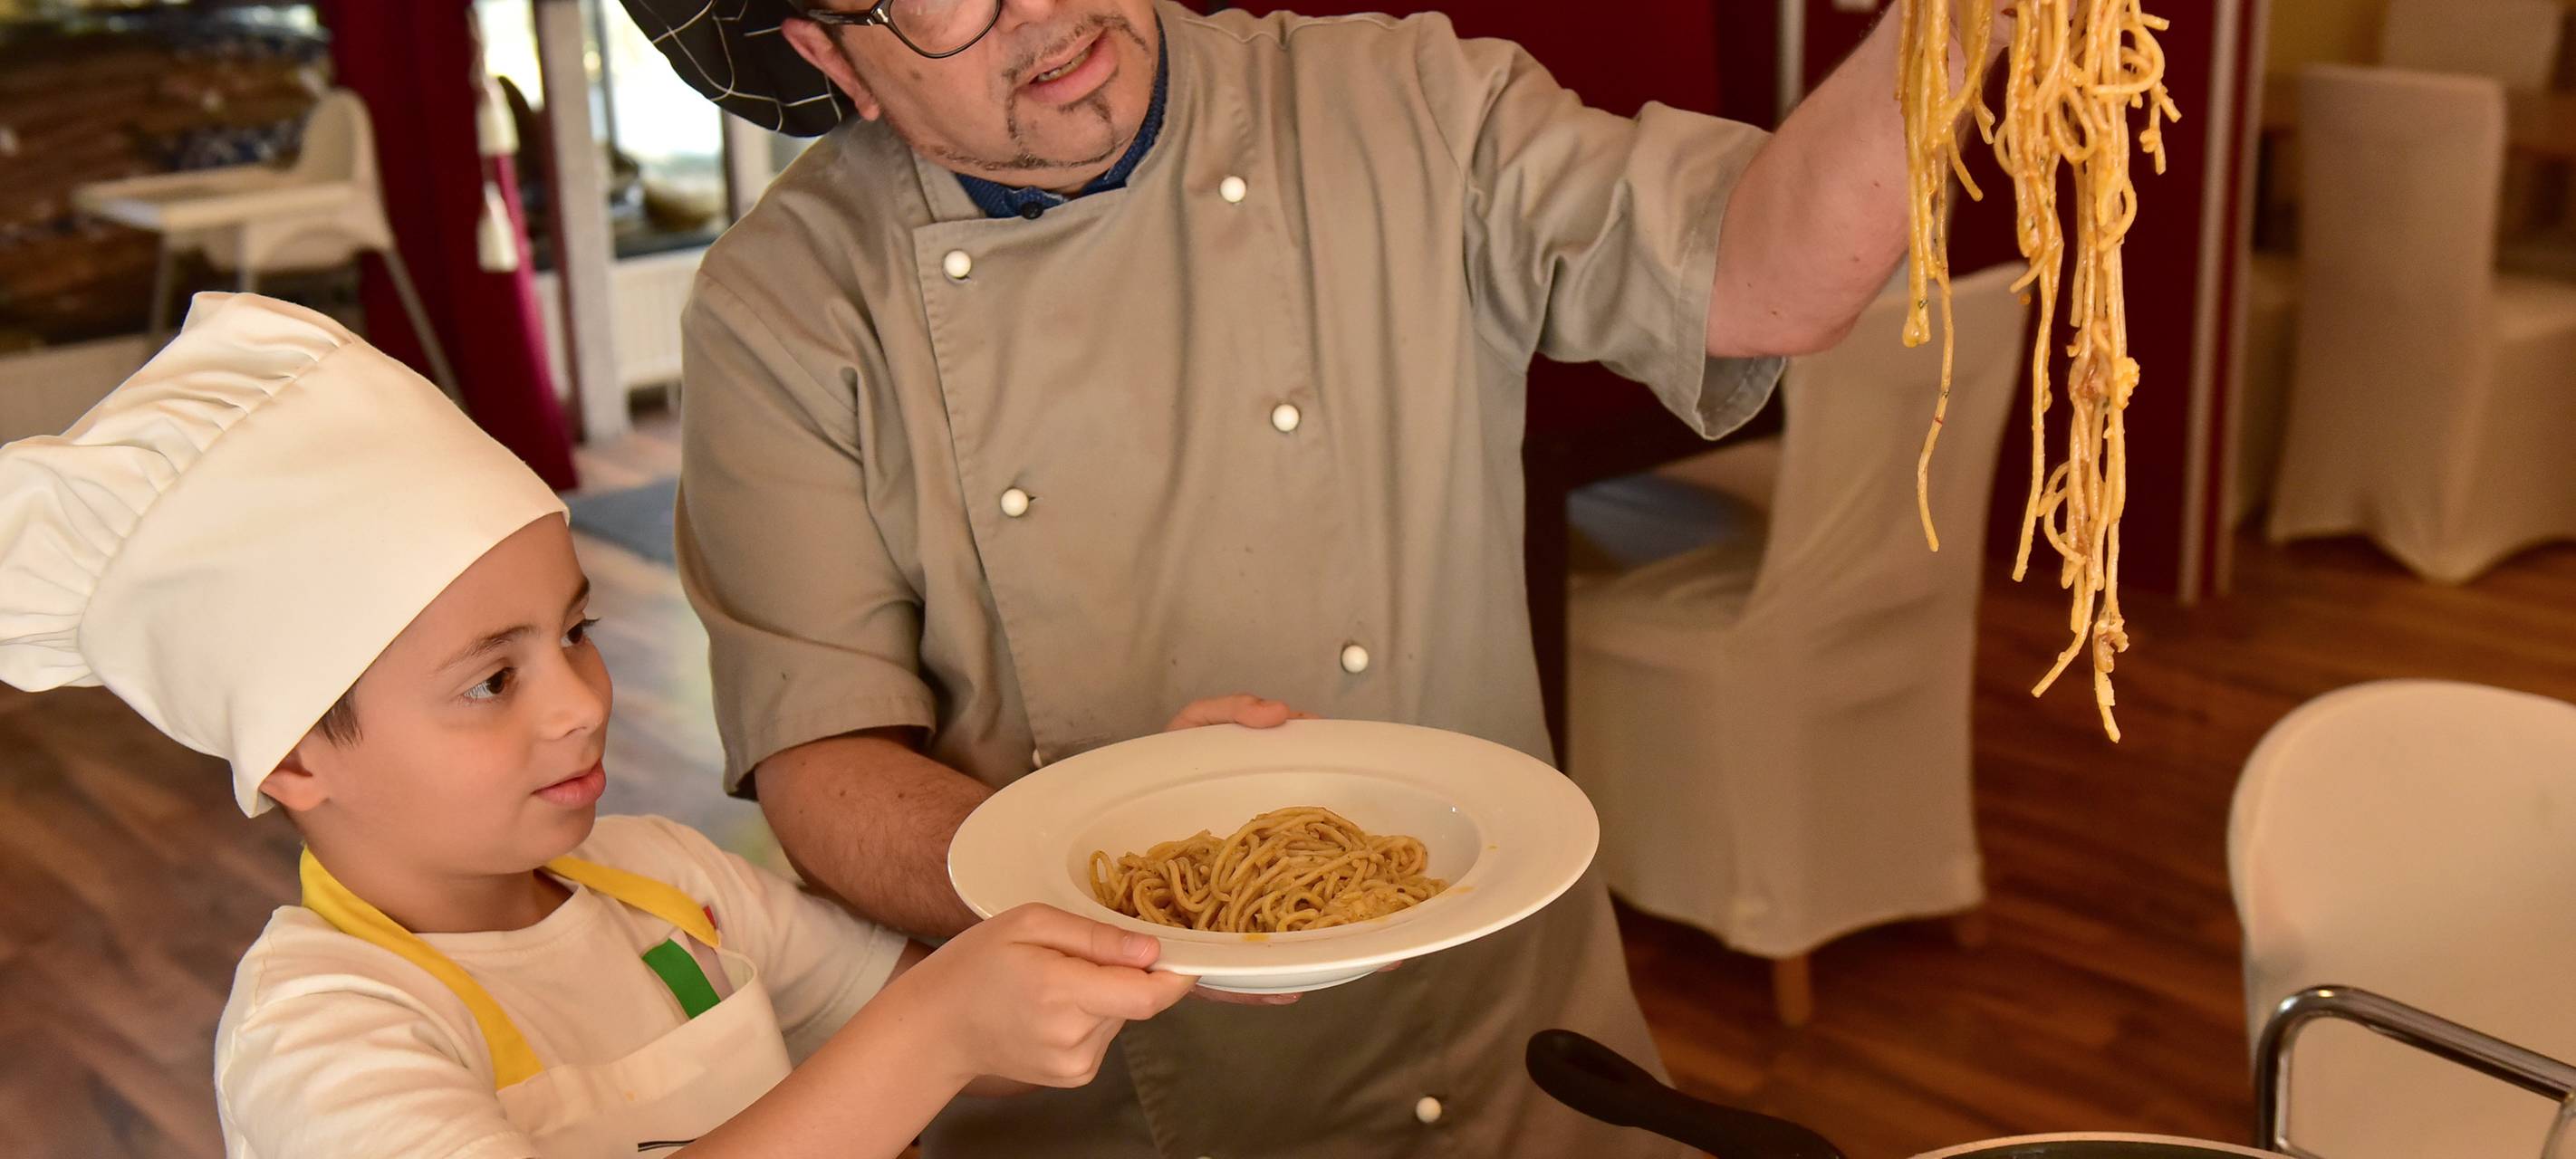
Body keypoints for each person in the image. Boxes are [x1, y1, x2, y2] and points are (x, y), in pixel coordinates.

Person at [620, 0, 2008, 1154]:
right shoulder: (785, 305)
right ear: (830, 52)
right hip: (1110, 1105)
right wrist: (1115, 870)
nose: (1039, 12)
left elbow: (1762, 274)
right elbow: (822, 768)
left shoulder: (1397, 100)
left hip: (1507, 1062)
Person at [0, 292, 1227, 1159]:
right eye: (491, 680)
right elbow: (931, 1027)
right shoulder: (322, 1039)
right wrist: (934, 1029)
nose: (579, 701)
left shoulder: (664, 884)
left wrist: (1162, 860)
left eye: (573, 632)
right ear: (295, 755)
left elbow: (990, 1024)